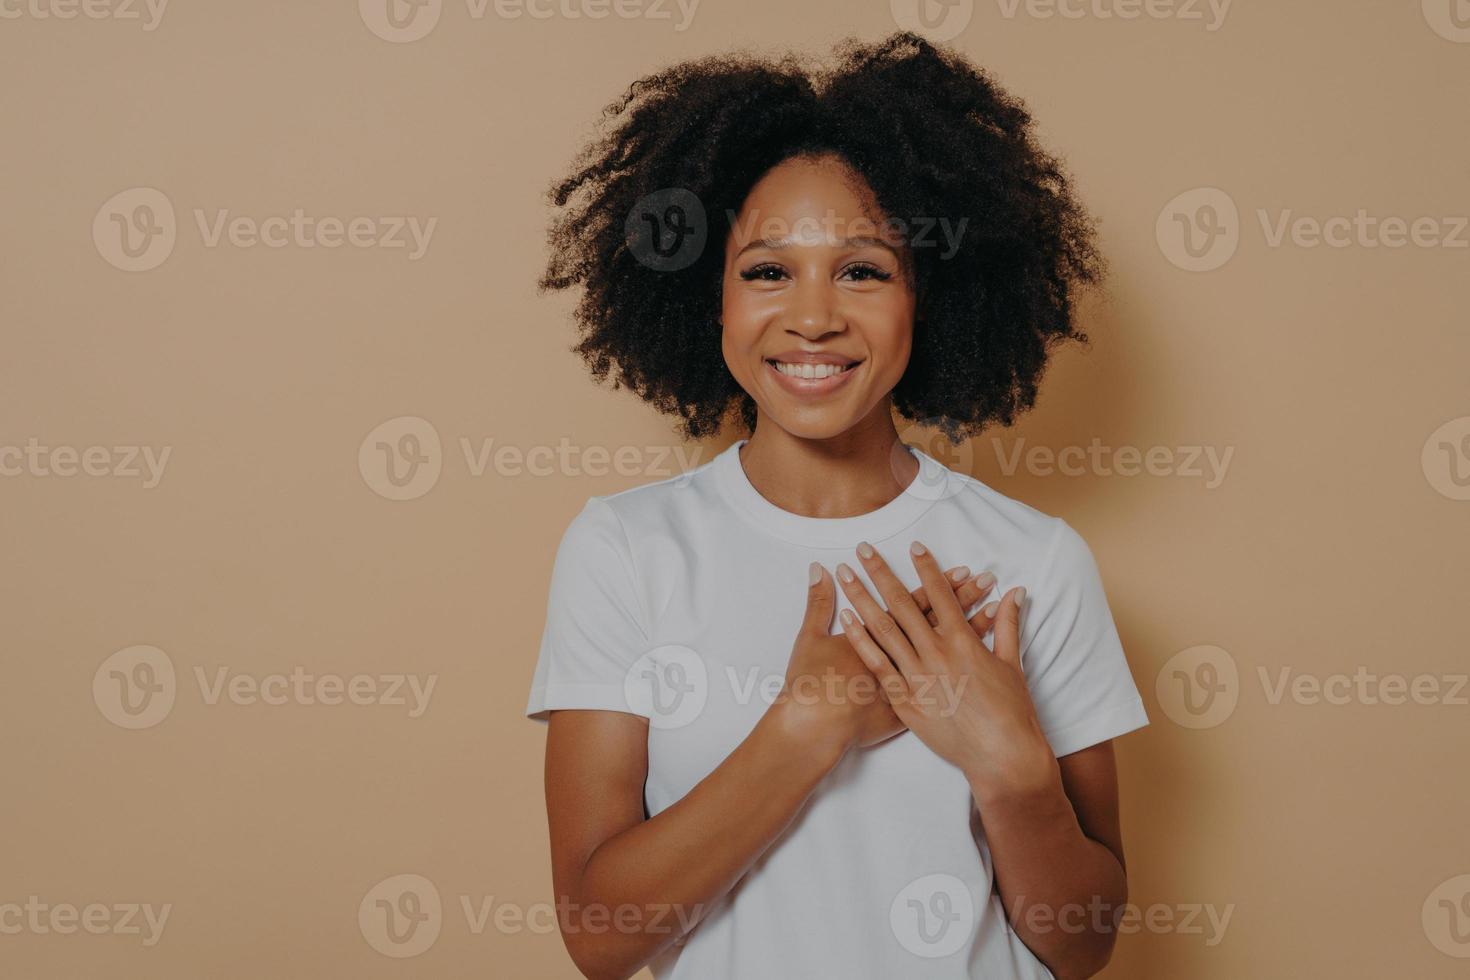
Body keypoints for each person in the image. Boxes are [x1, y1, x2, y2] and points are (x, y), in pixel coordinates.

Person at [525, 32, 1149, 980]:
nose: (813, 316)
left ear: (928, 298)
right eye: (767, 270)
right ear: (711, 300)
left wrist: (1013, 766)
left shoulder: (1035, 560)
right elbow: (602, 938)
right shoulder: (624, 550)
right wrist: (810, 723)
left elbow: (1083, 941)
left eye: (863, 270)